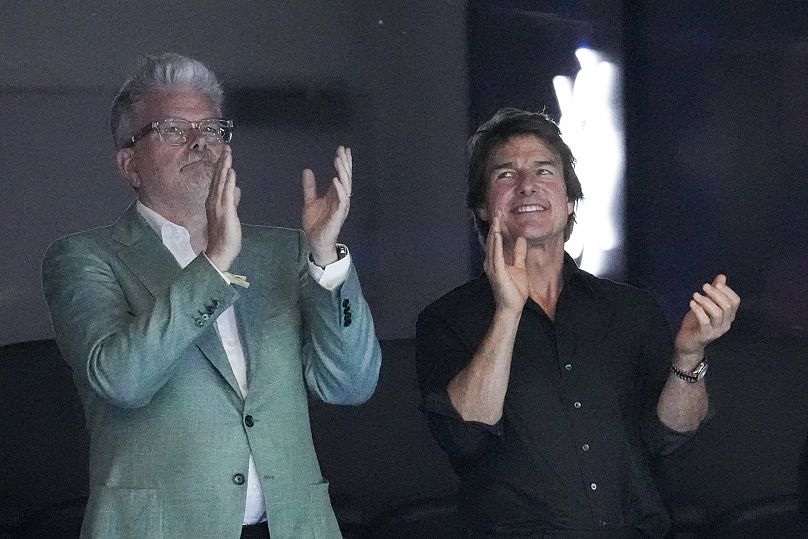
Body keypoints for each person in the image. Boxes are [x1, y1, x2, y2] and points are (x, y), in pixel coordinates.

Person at [42, 53, 381, 539]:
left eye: (213, 128)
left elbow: (350, 385)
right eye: (174, 129)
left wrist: (325, 256)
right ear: (128, 163)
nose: (202, 141)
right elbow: (120, 380)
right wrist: (214, 263)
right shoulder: (84, 258)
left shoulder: (285, 250)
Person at [416, 108, 740, 537]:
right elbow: (464, 437)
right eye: (505, 174)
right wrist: (508, 312)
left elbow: (672, 436)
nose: (527, 183)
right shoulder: (447, 319)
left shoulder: (631, 309)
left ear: (569, 201)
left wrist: (690, 354)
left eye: (544, 171)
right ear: (481, 206)